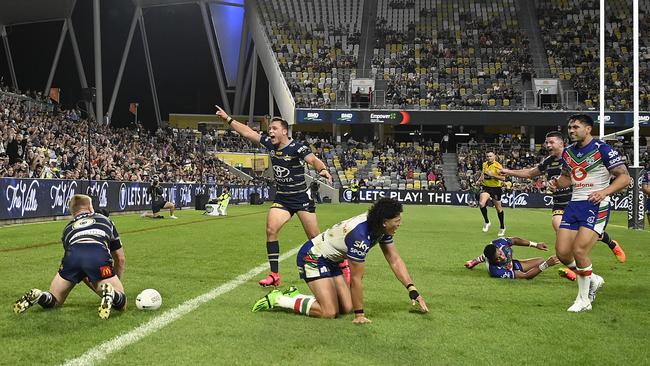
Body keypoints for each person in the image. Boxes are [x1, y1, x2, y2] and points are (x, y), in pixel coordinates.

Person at [215, 106, 337, 286]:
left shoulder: (297, 147)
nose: (270, 131)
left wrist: (323, 169)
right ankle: (274, 275)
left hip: (301, 198)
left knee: (315, 239)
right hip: (282, 198)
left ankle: (339, 264)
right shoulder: (269, 144)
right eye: (269, 129)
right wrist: (228, 119)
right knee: (271, 230)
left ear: (285, 131)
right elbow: (248, 133)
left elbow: (313, 159)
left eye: (274, 128)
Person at [251, 198, 428, 322]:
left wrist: (411, 289)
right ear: (384, 222)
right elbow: (357, 279)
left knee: (345, 308)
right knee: (329, 312)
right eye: (397, 220)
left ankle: (295, 295)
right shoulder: (360, 235)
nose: (399, 224)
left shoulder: (379, 227)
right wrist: (360, 315)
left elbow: (394, 259)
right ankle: (280, 299)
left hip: (331, 260)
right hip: (312, 257)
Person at [499, 131, 627, 276]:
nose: (548, 145)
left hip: (579, 202)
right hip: (560, 203)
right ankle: (575, 269)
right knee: (562, 234)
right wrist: (508, 171)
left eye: (551, 142)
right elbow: (530, 173)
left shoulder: (576, 156)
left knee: (584, 237)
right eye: (547, 142)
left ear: (561, 143)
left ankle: (611, 244)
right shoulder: (549, 160)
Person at [549, 114, 630, 312]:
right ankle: (593, 279)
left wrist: (604, 192)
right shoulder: (568, 152)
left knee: (579, 250)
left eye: (575, 127)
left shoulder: (602, 149)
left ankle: (583, 300)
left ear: (588, 129)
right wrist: (557, 184)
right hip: (574, 204)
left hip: (596, 205)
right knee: (562, 253)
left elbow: (625, 178)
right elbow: (568, 178)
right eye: (569, 127)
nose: (571, 131)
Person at [13, 195, 127, 319]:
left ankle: (41, 296)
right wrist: (114, 283)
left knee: (55, 300)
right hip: (96, 252)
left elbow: (80, 268)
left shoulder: (67, 229)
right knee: (122, 304)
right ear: (90, 207)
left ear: (72, 211)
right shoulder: (105, 220)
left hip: (72, 256)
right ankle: (113, 295)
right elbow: (120, 259)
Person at [465, 236, 560, 280]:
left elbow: (515, 240)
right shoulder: (496, 271)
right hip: (506, 268)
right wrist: (546, 265)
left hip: (511, 263)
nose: (502, 258)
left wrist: (535, 245)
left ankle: (474, 261)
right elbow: (526, 276)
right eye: (498, 258)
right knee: (542, 264)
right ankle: (475, 261)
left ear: (499, 248)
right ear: (492, 261)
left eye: (501, 254)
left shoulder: (500, 243)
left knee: (540, 261)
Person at [478, 150, 506, 236]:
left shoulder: (498, 166)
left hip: (496, 188)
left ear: (494, 157)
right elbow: (483, 173)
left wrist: (492, 175)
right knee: (481, 204)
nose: (489, 158)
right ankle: (487, 222)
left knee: (498, 208)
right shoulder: (484, 164)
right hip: (486, 187)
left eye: (490, 156)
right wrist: (479, 180)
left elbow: (503, 178)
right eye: (487, 156)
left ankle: (502, 227)